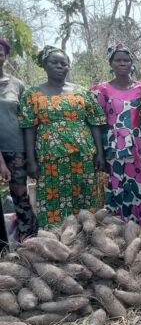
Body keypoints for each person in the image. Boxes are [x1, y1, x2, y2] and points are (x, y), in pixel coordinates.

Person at [18, 46, 106, 229]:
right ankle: (56, 237)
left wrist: (100, 153)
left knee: (85, 195)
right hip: (50, 156)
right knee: (53, 195)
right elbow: (29, 128)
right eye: (54, 62)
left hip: (83, 154)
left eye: (64, 63)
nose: (60, 66)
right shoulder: (32, 94)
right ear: (45, 65)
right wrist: (31, 160)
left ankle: (86, 236)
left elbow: (95, 123)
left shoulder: (82, 92)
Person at [92, 43, 141, 227]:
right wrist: (100, 153)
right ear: (110, 63)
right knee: (117, 184)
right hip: (114, 147)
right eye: (118, 60)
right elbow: (97, 123)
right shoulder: (100, 90)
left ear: (131, 63)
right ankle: (118, 229)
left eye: (126, 60)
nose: (123, 63)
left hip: (138, 145)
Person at [0, 37, 37, 241]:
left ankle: (29, 243)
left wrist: (32, 155)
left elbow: (27, 121)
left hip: (15, 149)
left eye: (0, 52)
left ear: (5, 56)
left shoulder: (18, 85)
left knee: (20, 196)